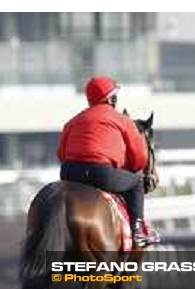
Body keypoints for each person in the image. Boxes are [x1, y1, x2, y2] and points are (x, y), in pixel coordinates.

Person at [57, 75, 157, 247]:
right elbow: (139, 159)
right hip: (101, 173)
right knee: (137, 183)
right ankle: (138, 231)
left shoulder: (72, 122)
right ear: (112, 99)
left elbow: (61, 153)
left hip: (69, 173)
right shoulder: (123, 120)